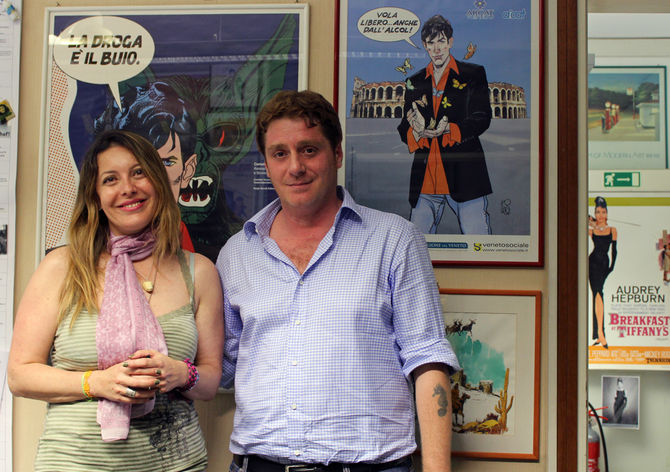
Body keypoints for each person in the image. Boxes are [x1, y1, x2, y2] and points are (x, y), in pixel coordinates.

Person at [217, 90, 460, 472]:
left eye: (309, 150)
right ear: (266, 163)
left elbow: (427, 360)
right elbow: (220, 368)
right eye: (279, 153)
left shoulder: (394, 240)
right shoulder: (237, 252)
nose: (295, 167)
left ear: (337, 154)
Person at [8, 130, 223, 471]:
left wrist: (181, 373)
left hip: (177, 464)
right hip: (75, 463)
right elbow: (20, 375)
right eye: (111, 179)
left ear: (157, 181)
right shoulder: (62, 267)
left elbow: (210, 381)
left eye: (139, 172)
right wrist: (96, 382)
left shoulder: (200, 272)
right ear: (95, 196)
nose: (128, 188)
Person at [397, 14, 492, 235]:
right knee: (414, 246)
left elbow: (482, 117)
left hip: (465, 177)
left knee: (479, 244)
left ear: (450, 42)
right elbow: (403, 127)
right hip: (425, 182)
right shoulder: (414, 81)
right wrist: (416, 131)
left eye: (441, 41)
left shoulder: (473, 74)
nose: (437, 49)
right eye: (431, 43)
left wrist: (449, 129)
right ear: (425, 45)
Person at [94, 82, 199, 252]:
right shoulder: (65, 262)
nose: (151, 179)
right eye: (139, 169)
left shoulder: (193, 260)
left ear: (188, 171)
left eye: (166, 162)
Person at [588, 196, 617, 348]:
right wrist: (592, 222)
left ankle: (600, 333)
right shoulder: (592, 231)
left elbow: (614, 251)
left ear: (607, 213)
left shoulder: (612, 230)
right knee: (597, 294)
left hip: (604, 264)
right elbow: (579, 221)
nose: (600, 215)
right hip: (592, 263)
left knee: (599, 294)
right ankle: (600, 334)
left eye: (603, 212)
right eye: (597, 212)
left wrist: (611, 267)